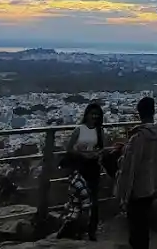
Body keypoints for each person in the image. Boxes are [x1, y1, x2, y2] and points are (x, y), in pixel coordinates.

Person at [115, 97, 157, 249]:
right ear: (154, 111)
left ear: (139, 113)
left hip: (138, 188)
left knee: (136, 229)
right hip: (156, 183)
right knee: (145, 226)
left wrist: (123, 194)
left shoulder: (139, 137)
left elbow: (129, 167)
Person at [64, 102, 105, 240]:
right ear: (86, 114)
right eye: (92, 114)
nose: (94, 117)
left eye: (96, 115)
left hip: (93, 167)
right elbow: (69, 148)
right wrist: (81, 154)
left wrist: (97, 154)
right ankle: (78, 229)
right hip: (80, 167)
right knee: (79, 199)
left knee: (93, 199)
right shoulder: (79, 129)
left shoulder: (99, 130)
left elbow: (102, 148)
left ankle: (92, 230)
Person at [56, 153, 94, 240]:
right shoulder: (74, 180)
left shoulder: (77, 182)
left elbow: (85, 199)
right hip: (73, 215)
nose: (61, 171)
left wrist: (84, 217)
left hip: (75, 217)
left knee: (63, 237)